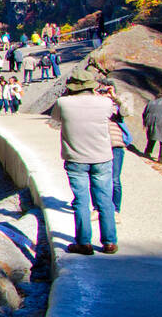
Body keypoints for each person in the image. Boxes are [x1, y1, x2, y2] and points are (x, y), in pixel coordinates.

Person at [48, 69, 117, 254]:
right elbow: (119, 114)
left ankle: (84, 242)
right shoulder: (105, 102)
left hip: (76, 158)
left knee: (81, 201)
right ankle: (109, 242)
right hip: (102, 157)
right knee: (105, 201)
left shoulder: (63, 102)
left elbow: (54, 123)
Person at [100, 81, 131, 217]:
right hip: (99, 145)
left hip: (116, 146)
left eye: (107, 91)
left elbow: (127, 111)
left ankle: (115, 210)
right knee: (98, 179)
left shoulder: (115, 108)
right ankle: (99, 208)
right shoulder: (95, 107)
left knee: (114, 179)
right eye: (101, 91)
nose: (104, 94)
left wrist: (114, 97)